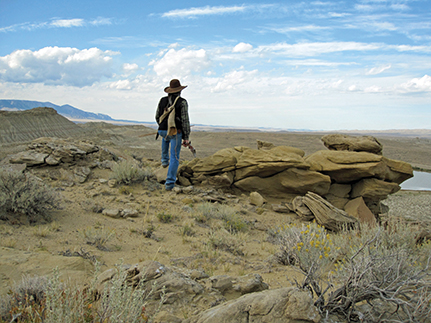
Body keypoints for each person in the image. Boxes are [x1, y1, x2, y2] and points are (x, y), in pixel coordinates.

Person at [155, 79, 191, 190]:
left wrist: (163, 127)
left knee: (165, 138)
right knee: (175, 157)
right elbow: (185, 121)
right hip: (175, 132)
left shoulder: (162, 100)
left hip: (161, 130)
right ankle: (170, 183)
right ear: (179, 91)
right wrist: (186, 137)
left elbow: (157, 116)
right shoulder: (182, 102)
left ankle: (164, 162)